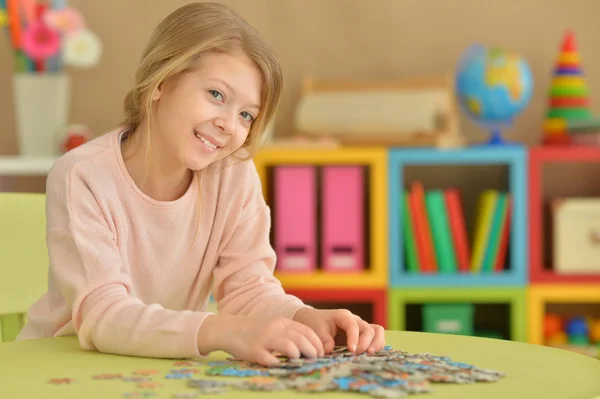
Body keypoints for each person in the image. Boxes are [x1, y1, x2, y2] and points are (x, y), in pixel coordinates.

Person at [17, 2, 385, 366]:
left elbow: (248, 290)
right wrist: (224, 332)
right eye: (216, 95)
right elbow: (104, 315)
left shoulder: (233, 176)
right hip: (62, 365)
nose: (229, 124)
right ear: (162, 82)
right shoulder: (83, 176)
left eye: (246, 115)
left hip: (156, 368)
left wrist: (304, 318)